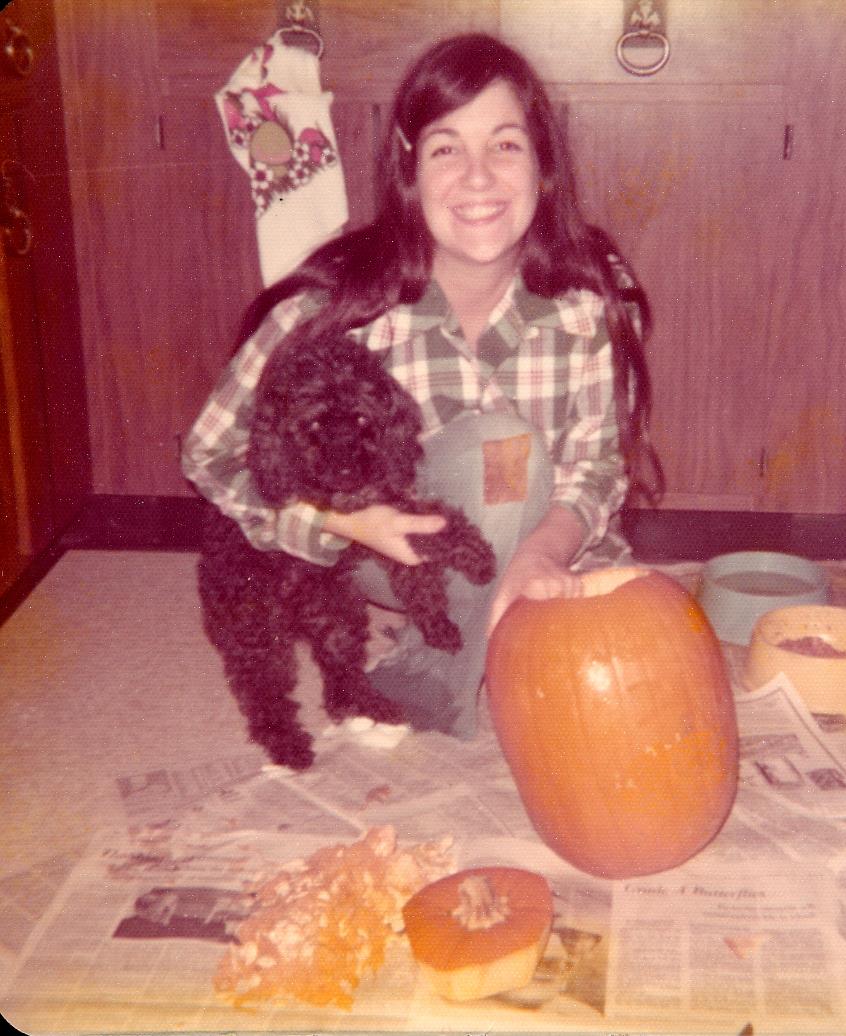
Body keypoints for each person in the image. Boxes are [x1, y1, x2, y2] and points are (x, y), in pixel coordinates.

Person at [182, 32, 660, 740]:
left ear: (541, 164)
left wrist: (540, 558)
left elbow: (595, 469)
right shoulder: (331, 311)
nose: (477, 178)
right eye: (445, 149)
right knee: (505, 445)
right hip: (390, 554)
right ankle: (432, 677)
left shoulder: (585, 306)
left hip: (537, 540)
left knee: (655, 655)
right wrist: (340, 522)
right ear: (409, 170)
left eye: (504, 145)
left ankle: (493, 622)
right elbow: (208, 454)